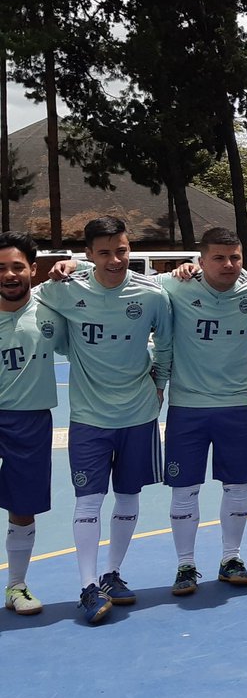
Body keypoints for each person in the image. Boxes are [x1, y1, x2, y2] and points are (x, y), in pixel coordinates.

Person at [39, 217, 173, 624]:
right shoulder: (65, 290)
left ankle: (113, 574)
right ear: (88, 255)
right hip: (89, 416)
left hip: (139, 414)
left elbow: (165, 344)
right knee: (88, 501)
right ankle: (87, 586)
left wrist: (160, 385)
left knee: (129, 496)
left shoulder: (151, 294)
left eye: (122, 250)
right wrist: (70, 268)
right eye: (104, 253)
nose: (115, 259)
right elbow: (30, 297)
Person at [158, 228, 247, 595]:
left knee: (238, 486)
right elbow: (124, 277)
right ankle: (185, 565)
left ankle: (231, 558)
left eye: (235, 257)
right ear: (200, 260)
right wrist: (70, 266)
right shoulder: (174, 285)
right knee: (184, 490)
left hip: (236, 403)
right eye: (219, 258)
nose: (228, 265)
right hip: (187, 405)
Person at [0, 232, 66, 617]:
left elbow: (95, 274)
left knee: (22, 508)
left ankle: (17, 586)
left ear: (32, 270)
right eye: (1, 268)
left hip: (30, 420)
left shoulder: (48, 311)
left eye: (16, 267)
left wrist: (74, 264)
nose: (9, 274)